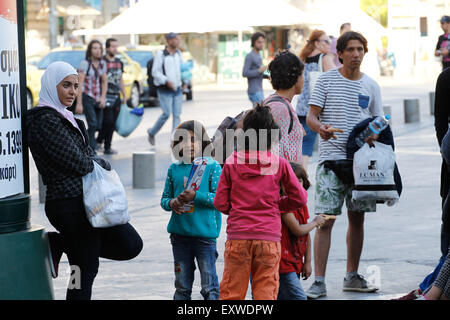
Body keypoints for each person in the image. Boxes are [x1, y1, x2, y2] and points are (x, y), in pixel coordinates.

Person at [26, 61, 143, 300]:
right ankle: (70, 247)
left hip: (91, 201)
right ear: (51, 85)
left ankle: (60, 244)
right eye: (66, 85)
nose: (72, 91)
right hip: (67, 204)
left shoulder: (69, 119)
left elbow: (87, 155)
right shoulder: (43, 120)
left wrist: (92, 159)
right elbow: (79, 161)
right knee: (83, 269)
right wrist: (94, 161)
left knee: (130, 245)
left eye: (76, 86)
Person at [305, 31, 384, 299]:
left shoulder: (371, 86)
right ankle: (318, 280)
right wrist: (321, 128)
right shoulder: (326, 81)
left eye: (360, 49)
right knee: (325, 221)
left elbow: (378, 121)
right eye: (350, 49)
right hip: (330, 161)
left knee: (357, 219)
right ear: (339, 53)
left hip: (361, 164)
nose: (356, 54)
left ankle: (352, 275)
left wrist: (375, 132)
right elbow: (311, 117)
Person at [214, 105, 308, 300]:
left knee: (232, 292)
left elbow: (220, 203)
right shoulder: (279, 163)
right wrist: (277, 205)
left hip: (238, 236)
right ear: (273, 137)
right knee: (266, 292)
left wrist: (239, 209)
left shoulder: (232, 162)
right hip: (269, 239)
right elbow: (300, 198)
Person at [161, 120, 222, 300]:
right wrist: (173, 203)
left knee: (209, 286)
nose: (189, 144)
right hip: (179, 236)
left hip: (205, 237)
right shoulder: (174, 169)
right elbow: (164, 199)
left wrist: (196, 196)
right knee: (182, 286)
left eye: (194, 139)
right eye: (183, 140)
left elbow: (218, 199)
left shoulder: (212, 167)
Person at [278, 162, 326, 300]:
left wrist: (308, 261)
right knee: (299, 297)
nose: (294, 186)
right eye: (288, 182)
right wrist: (315, 223)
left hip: (295, 260)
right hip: (283, 264)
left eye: (298, 181)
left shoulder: (301, 204)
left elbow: (306, 234)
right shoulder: (283, 205)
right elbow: (298, 230)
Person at [296, 30, 337, 170]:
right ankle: (303, 175)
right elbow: (336, 78)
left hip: (301, 105)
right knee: (311, 143)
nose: (329, 45)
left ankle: (299, 174)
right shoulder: (325, 58)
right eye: (326, 41)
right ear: (317, 43)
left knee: (302, 142)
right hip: (315, 105)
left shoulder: (303, 58)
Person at [264, 51, 305, 165]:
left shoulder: (276, 102)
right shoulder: (280, 108)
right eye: (302, 74)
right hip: (283, 180)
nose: (304, 79)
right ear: (294, 77)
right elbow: (277, 155)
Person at [147, 32, 184, 146]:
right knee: (166, 114)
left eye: (177, 39)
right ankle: (152, 132)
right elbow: (155, 72)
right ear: (169, 41)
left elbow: (181, 70)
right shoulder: (161, 54)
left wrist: (184, 82)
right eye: (174, 39)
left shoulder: (178, 54)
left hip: (177, 88)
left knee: (177, 115)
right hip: (164, 89)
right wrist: (166, 81)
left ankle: (174, 141)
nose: (177, 41)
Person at [76, 40, 108, 151]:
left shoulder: (102, 64)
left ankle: (87, 144)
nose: (97, 50)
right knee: (93, 124)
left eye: (99, 48)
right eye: (94, 48)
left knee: (99, 125)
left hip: (98, 98)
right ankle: (90, 150)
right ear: (90, 50)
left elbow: (104, 81)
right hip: (87, 97)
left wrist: (103, 97)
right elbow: (79, 83)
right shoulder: (85, 64)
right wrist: (79, 103)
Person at [96, 38, 126, 155]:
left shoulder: (119, 62)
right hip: (105, 96)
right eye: (113, 46)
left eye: (116, 46)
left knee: (113, 123)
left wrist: (124, 95)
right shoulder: (102, 62)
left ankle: (108, 147)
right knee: (107, 121)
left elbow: (120, 79)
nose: (115, 49)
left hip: (116, 96)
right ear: (107, 48)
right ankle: (98, 142)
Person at [243, 32, 268, 105]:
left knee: (258, 114)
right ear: (253, 42)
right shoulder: (250, 56)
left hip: (259, 89)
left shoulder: (259, 55)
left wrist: (268, 73)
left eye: (263, 42)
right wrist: (259, 70)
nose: (261, 44)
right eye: (259, 42)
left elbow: (261, 73)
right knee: (262, 112)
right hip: (254, 91)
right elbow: (245, 73)